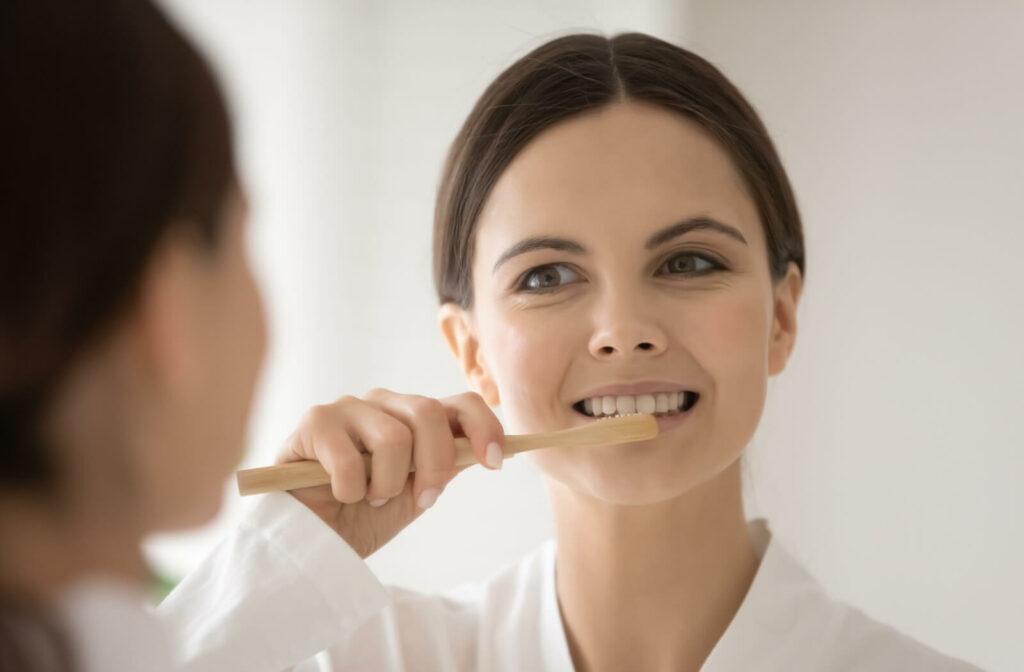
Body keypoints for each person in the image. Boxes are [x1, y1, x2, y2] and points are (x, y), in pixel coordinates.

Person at [161, 33, 982, 671]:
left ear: (782, 317)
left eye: (689, 262)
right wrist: (282, 560)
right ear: (471, 350)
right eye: (549, 275)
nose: (623, 329)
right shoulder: (374, 661)